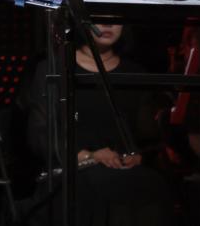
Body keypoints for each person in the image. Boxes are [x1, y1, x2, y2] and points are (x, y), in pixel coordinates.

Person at [26, 22, 172, 225]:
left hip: (121, 169)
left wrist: (137, 155)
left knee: (153, 184)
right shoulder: (55, 68)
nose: (108, 24)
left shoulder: (134, 72)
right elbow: (40, 134)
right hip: (73, 168)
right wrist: (89, 156)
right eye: (99, 16)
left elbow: (146, 136)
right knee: (97, 186)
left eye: (114, 17)